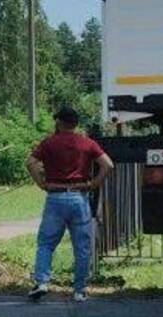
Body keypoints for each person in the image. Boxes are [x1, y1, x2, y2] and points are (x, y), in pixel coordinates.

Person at [25, 107, 114, 303]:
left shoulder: (49, 143)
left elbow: (30, 163)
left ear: (58, 122)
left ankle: (42, 282)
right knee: (82, 248)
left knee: (46, 244)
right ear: (75, 123)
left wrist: (41, 183)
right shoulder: (87, 143)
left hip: (55, 197)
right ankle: (79, 291)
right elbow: (108, 165)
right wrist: (94, 183)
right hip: (79, 197)